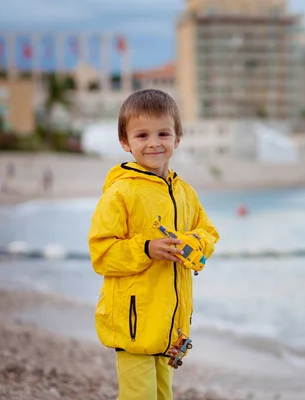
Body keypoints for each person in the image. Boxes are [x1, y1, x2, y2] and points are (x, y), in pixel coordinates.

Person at [88, 89, 219, 400]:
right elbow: (102, 253)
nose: (153, 143)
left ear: (177, 138)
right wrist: (146, 248)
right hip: (134, 325)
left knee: (163, 395)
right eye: (142, 135)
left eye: (163, 133)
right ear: (125, 142)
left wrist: (187, 244)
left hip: (170, 327)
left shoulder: (185, 193)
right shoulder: (121, 193)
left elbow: (209, 233)